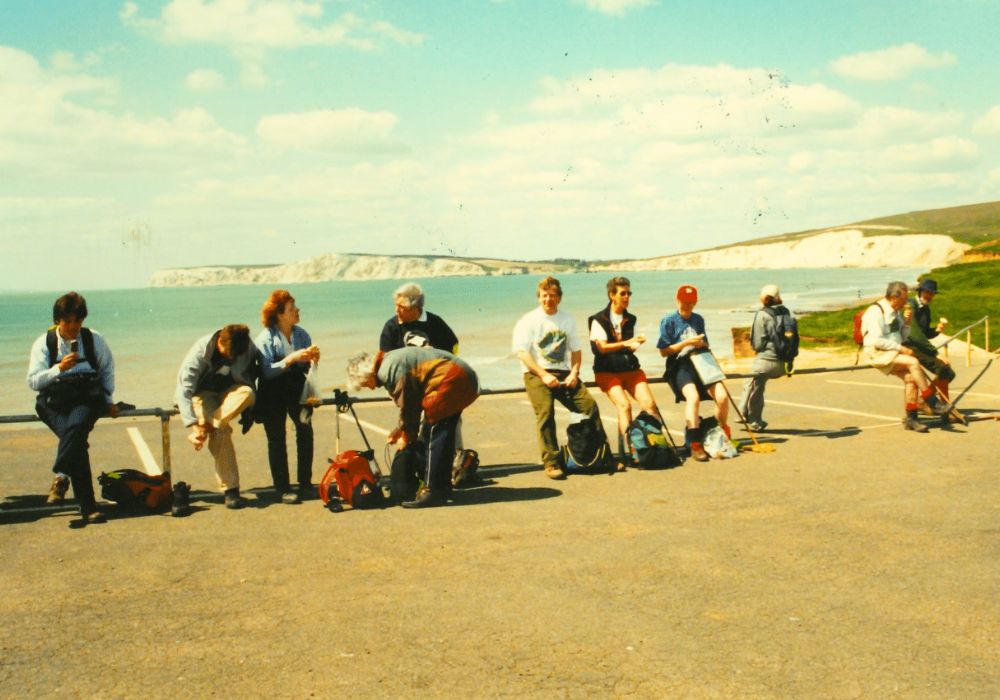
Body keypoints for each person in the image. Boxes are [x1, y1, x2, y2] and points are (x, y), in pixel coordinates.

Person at [27, 292, 118, 525]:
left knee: (76, 428)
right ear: (58, 320)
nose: (74, 327)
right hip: (54, 400)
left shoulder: (93, 339)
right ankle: (87, 506)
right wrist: (58, 369)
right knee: (76, 441)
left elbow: (107, 369)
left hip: (84, 398)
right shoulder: (45, 343)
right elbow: (33, 382)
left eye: (78, 321)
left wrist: (108, 400)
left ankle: (61, 477)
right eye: (68, 321)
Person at [346, 347, 478, 508]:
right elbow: (411, 402)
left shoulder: (389, 370)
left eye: (365, 383)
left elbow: (410, 408)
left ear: (367, 372)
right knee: (442, 435)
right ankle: (442, 488)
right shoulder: (390, 362)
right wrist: (400, 429)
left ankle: (432, 492)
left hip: (452, 380)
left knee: (433, 436)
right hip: (462, 378)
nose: (370, 388)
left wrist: (407, 438)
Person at [512, 276, 609, 479]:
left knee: (589, 406)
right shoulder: (528, 321)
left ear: (559, 298)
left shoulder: (567, 319)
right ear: (539, 297)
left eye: (553, 295)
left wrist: (574, 373)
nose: (549, 299)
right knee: (546, 413)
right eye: (545, 296)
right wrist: (544, 375)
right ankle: (552, 462)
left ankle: (601, 455)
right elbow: (522, 353)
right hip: (536, 373)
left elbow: (575, 350)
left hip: (564, 373)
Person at [176, 324, 258, 508]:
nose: (232, 358)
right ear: (219, 340)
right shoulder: (199, 352)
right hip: (205, 393)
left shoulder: (248, 347)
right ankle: (231, 490)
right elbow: (183, 391)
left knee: (248, 393)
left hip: (231, 391)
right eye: (229, 354)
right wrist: (193, 425)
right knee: (221, 432)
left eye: (235, 356)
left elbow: (253, 376)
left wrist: (250, 411)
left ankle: (211, 425)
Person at [588, 276, 665, 466]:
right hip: (607, 371)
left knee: (650, 404)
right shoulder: (598, 319)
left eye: (629, 293)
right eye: (623, 293)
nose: (627, 297)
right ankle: (628, 451)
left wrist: (633, 343)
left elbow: (631, 347)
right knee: (624, 405)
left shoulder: (631, 319)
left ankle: (656, 445)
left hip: (630, 368)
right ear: (611, 295)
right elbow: (602, 349)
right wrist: (626, 343)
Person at [254, 290, 321, 505]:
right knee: (276, 439)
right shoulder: (265, 338)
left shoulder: (302, 335)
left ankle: (305, 483)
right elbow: (266, 371)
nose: (297, 311)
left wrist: (312, 359)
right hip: (272, 391)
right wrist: (291, 358)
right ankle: (282, 488)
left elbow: (306, 368)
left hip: (297, 389)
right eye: (292, 309)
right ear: (280, 314)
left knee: (305, 431)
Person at [861, 281, 950, 433]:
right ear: (895, 297)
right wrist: (900, 348)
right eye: (903, 299)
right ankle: (931, 401)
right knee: (913, 362)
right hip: (876, 352)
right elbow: (875, 340)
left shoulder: (896, 311)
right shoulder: (876, 312)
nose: (905, 303)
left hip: (891, 352)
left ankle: (911, 418)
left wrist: (907, 324)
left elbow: (901, 336)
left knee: (911, 379)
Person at [656, 284, 730, 462]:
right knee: (693, 397)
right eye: (684, 301)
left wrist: (701, 344)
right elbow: (664, 351)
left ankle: (717, 431)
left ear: (695, 302)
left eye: (691, 302)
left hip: (701, 361)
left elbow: (706, 344)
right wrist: (686, 343)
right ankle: (695, 442)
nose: (687, 306)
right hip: (680, 365)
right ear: (677, 299)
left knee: (722, 396)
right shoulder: (669, 321)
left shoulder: (698, 320)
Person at [739, 284, 793, 431]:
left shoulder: (762, 314)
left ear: (763, 298)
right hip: (784, 364)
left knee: (752, 382)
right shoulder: (786, 312)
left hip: (766, 362)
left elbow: (757, 343)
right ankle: (755, 420)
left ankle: (744, 414)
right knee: (758, 385)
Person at [904, 278, 955, 404]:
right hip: (908, 345)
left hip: (918, 345)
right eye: (927, 292)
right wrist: (935, 353)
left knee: (949, 373)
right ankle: (945, 406)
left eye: (932, 294)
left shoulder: (926, 309)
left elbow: (925, 333)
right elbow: (914, 334)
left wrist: (937, 329)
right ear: (920, 291)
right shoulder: (910, 305)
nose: (930, 296)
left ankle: (924, 401)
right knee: (943, 369)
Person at [379, 282, 459, 354]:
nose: (396, 310)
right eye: (396, 305)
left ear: (415, 308)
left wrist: (434, 352)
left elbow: (453, 345)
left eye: (401, 307)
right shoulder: (391, 326)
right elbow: (385, 356)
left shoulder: (435, 322)